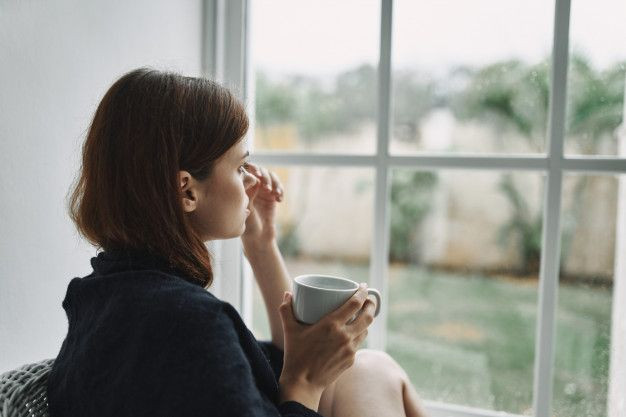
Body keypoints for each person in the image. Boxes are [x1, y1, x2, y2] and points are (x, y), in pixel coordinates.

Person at [47, 67, 428, 417]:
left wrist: (261, 245)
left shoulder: (103, 296)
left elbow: (275, 363)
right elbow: (288, 379)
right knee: (373, 372)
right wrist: (304, 385)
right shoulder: (190, 321)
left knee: (371, 368)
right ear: (186, 190)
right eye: (240, 166)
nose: (251, 180)